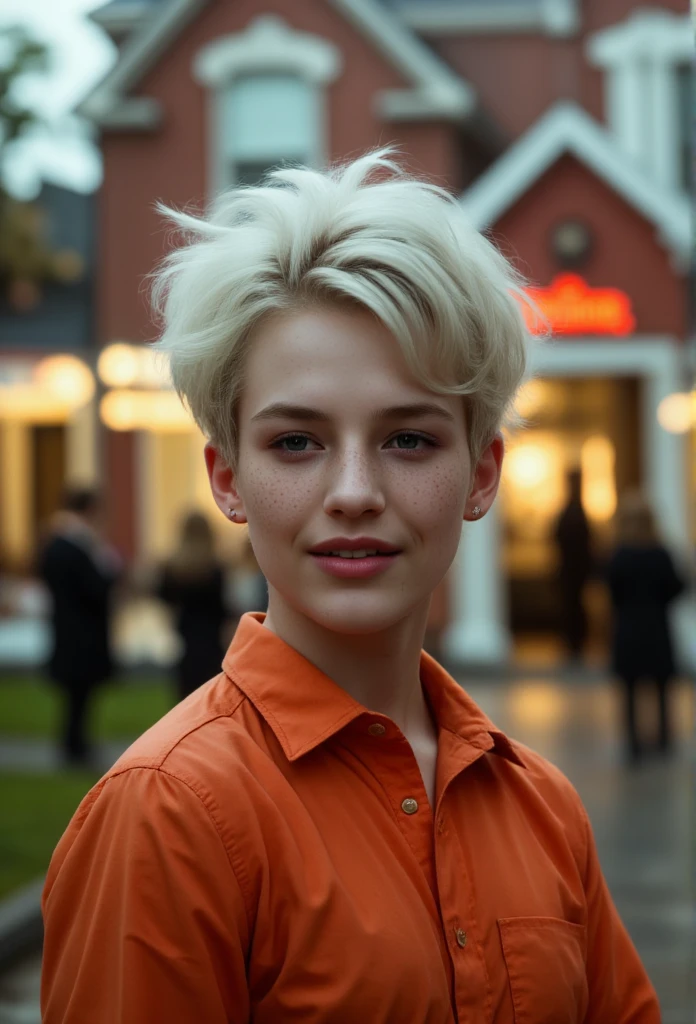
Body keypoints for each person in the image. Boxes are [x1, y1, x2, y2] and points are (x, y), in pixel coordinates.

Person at [41, 151, 659, 1022]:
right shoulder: (171, 814)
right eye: (297, 442)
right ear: (227, 479)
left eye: (409, 439)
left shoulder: (542, 806)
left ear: (482, 475)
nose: (355, 492)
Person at [37, 487, 122, 766]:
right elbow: (95, 587)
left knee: (76, 695)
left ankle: (74, 743)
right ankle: (75, 746)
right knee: (79, 694)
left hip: (66, 629)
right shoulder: (78, 545)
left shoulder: (54, 543)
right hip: (82, 633)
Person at [607, 492, 685, 764]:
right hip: (657, 629)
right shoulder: (661, 553)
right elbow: (676, 588)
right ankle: (663, 739)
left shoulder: (620, 554)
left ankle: (634, 743)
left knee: (630, 689)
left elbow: (613, 592)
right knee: (662, 688)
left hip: (628, 630)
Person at [157, 510, 232, 703]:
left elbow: (162, 597)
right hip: (212, 641)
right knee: (211, 699)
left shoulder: (174, 569)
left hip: (185, 641)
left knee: (186, 701)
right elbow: (222, 608)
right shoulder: (215, 569)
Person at [554, 468, 593, 663]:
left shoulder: (573, 511)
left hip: (573, 570)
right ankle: (574, 643)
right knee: (573, 605)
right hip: (572, 570)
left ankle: (575, 643)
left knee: (574, 605)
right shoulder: (574, 511)